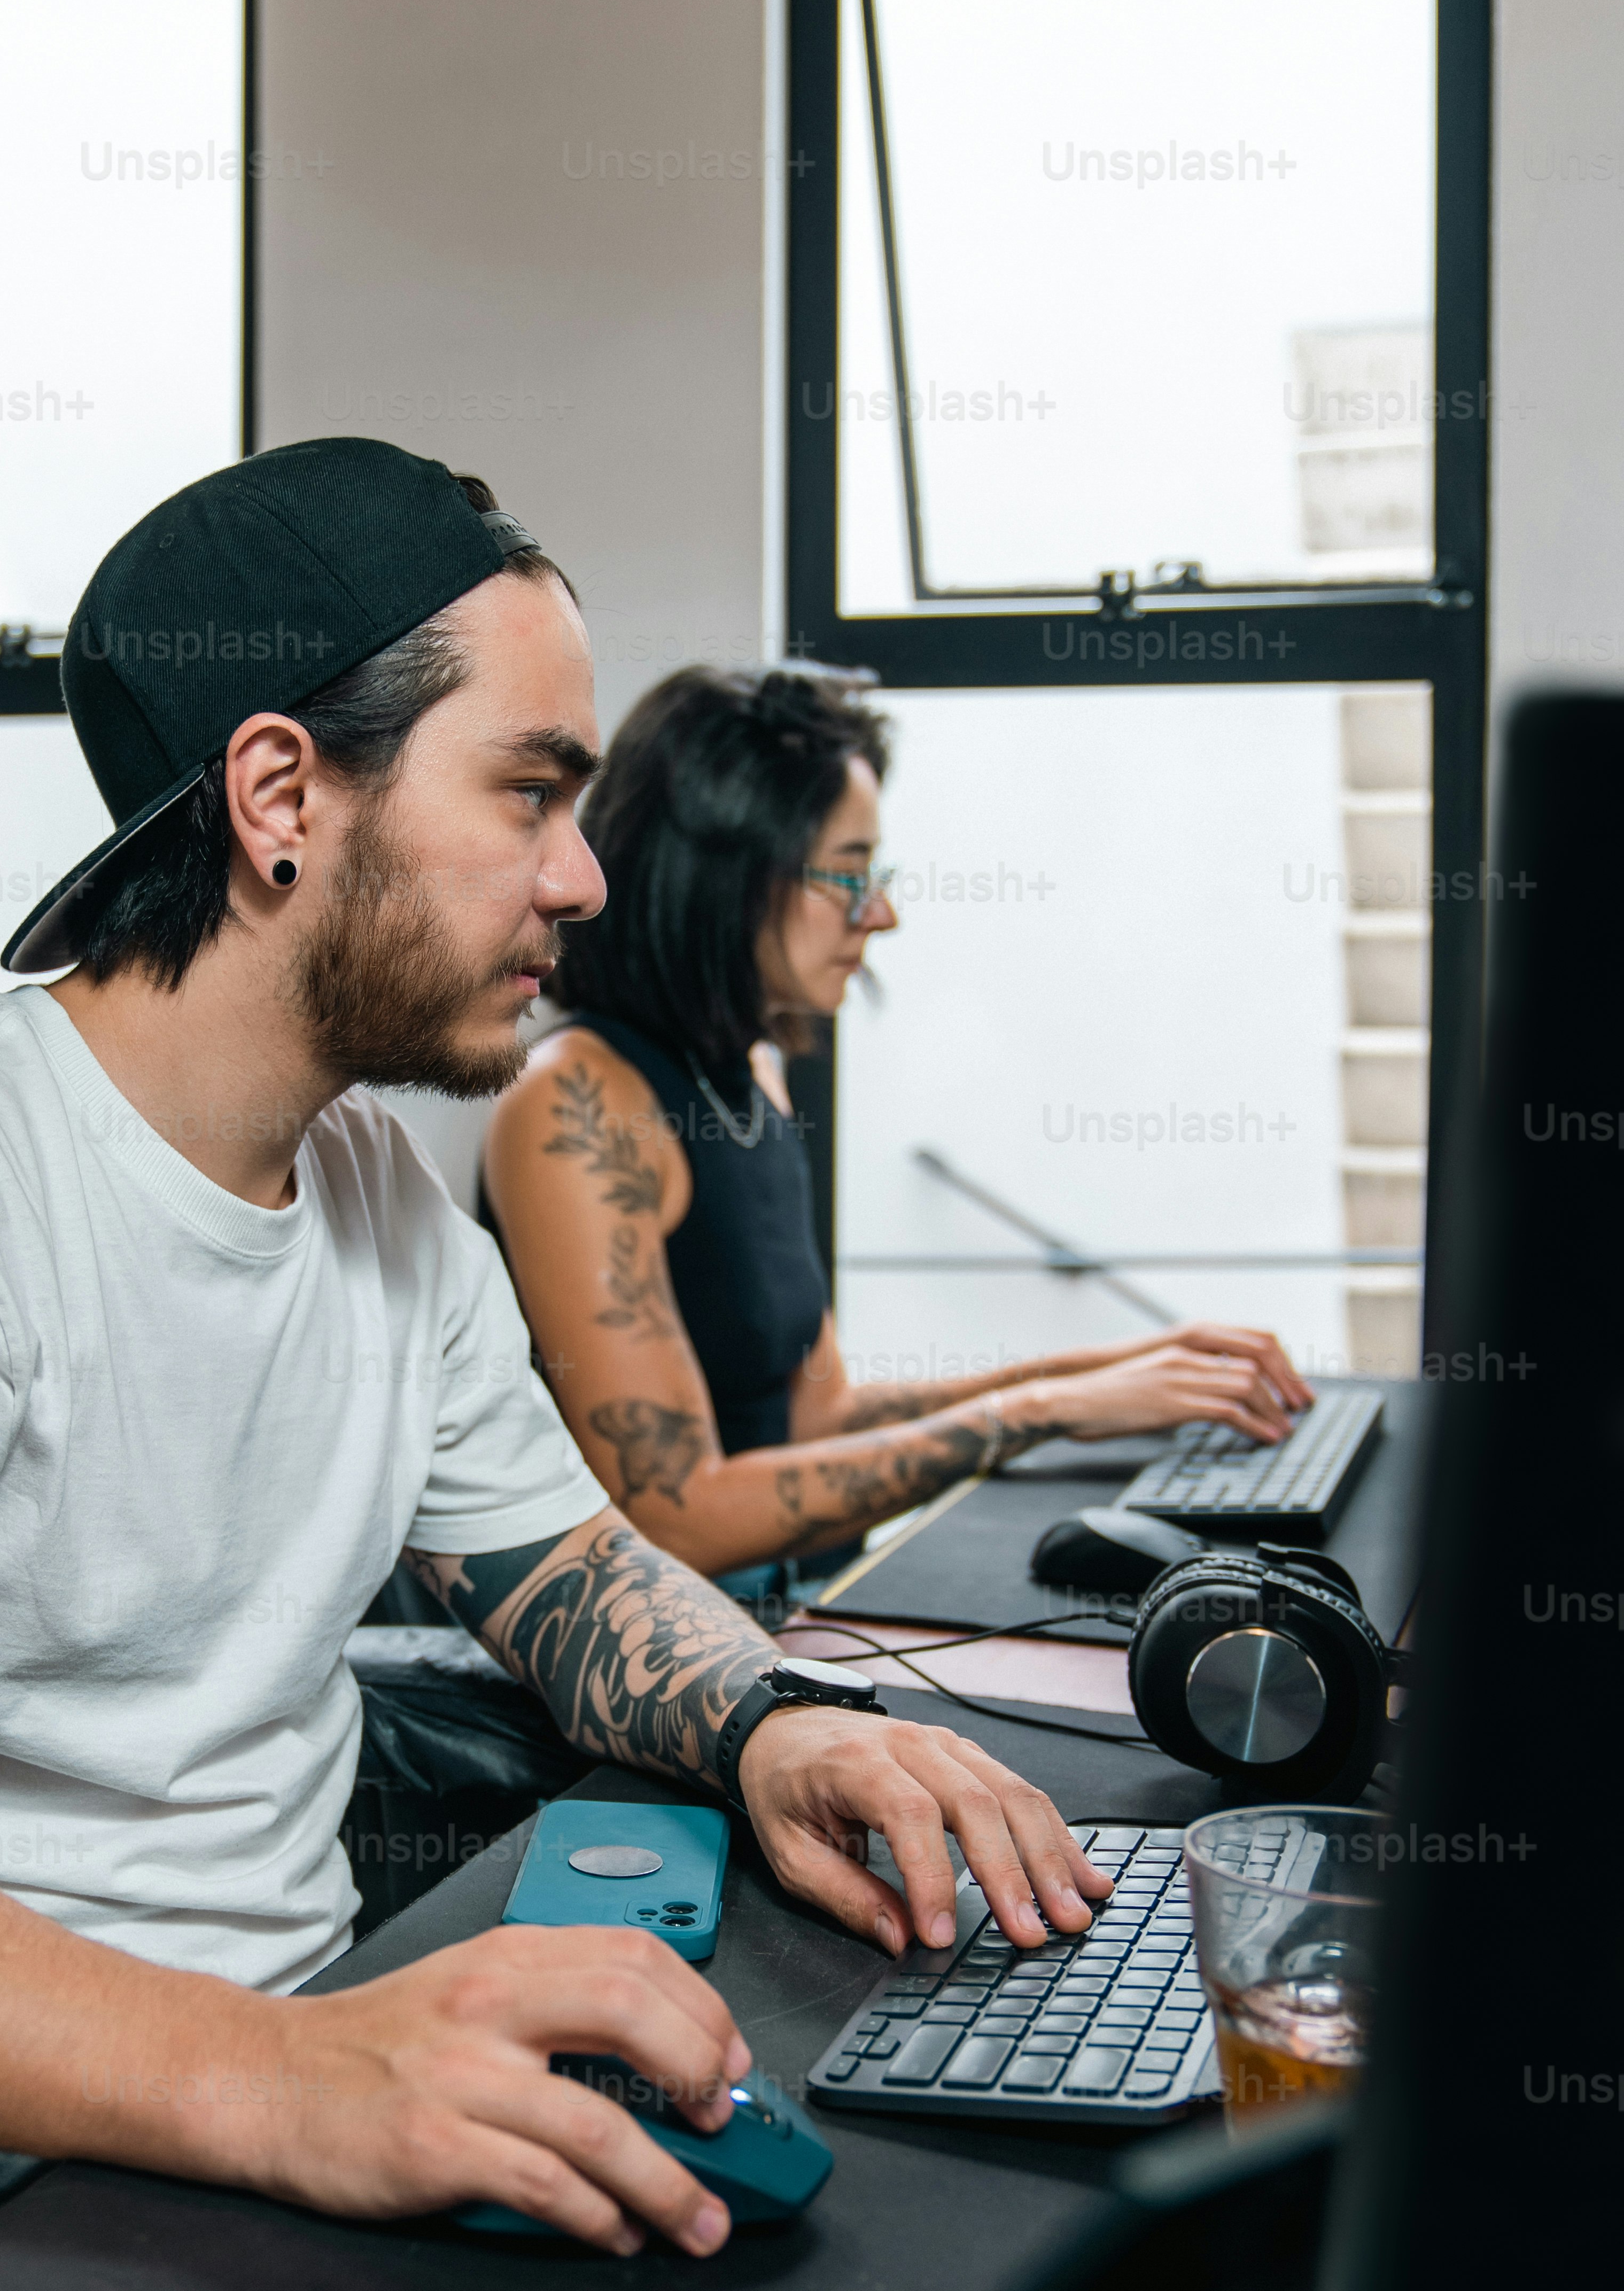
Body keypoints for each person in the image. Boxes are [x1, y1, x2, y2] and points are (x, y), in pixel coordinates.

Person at [0, 446, 1111, 2291]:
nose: (585, 876)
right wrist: (286, 2078)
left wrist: (786, 1724)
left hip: (300, 2115)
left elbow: (571, 1574)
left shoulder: (370, 1190)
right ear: (282, 793)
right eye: (531, 792)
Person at [481, 664, 1312, 1605]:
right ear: (733, 874)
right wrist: (1044, 1410)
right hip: (689, 1656)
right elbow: (679, 1516)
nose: (881, 912)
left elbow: (817, 1416)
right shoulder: (577, 1111)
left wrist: (1118, 1374)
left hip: (805, 1607)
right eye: (849, 874)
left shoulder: (752, 1076)